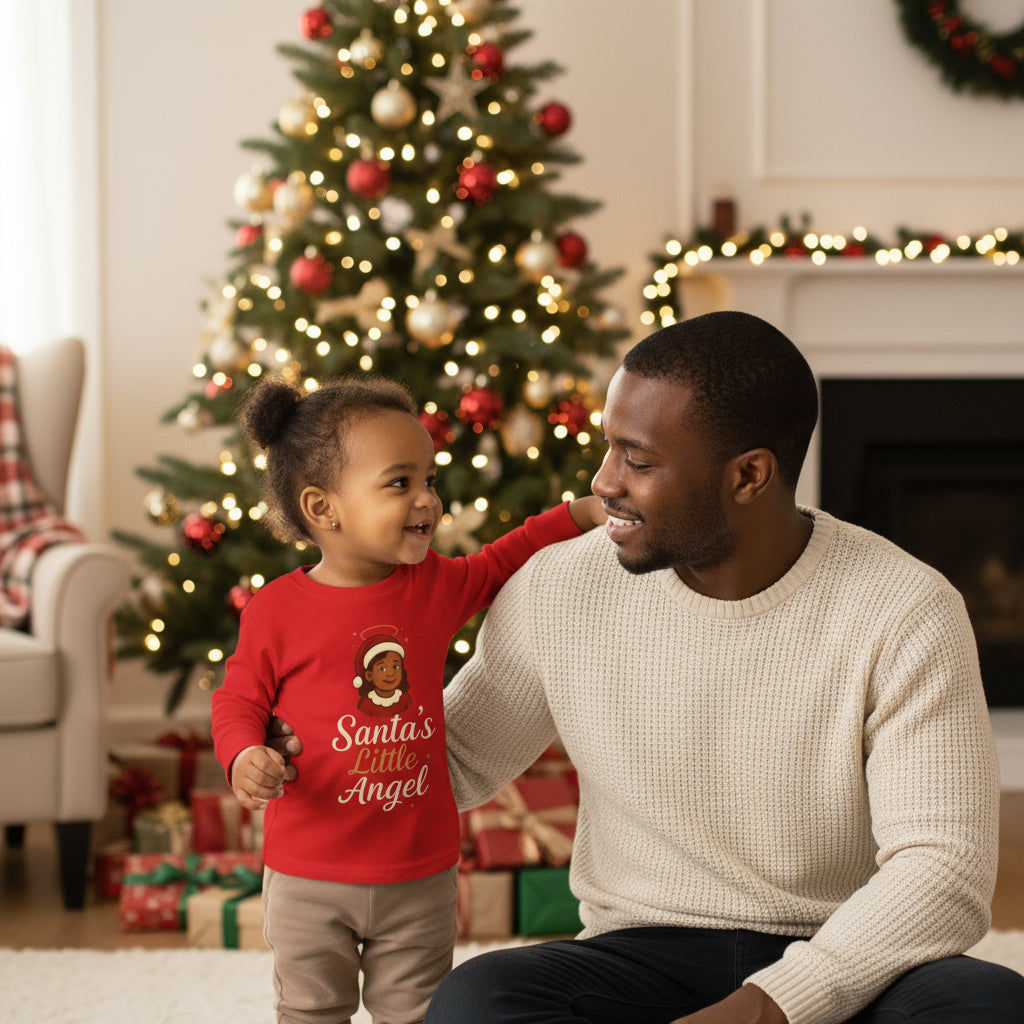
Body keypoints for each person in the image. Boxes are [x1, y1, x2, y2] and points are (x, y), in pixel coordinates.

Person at [265, 312, 1024, 1024]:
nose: (603, 482)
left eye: (639, 459)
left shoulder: (905, 607)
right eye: (608, 448)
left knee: (987, 1006)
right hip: (639, 959)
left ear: (749, 476)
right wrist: (317, 743)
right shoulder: (560, 586)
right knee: (476, 1002)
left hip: (845, 958)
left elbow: (944, 874)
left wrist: (773, 1006)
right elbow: (450, 760)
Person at [212, 374, 605, 1024]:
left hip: (418, 870)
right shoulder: (277, 610)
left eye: (429, 479)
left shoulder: (432, 586)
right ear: (323, 508)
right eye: (401, 483)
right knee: (311, 1010)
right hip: (310, 871)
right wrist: (243, 754)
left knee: (418, 1012)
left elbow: (504, 560)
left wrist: (577, 514)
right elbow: (237, 700)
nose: (428, 499)